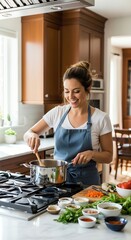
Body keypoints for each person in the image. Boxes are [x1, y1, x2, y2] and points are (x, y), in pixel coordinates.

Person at [24, 61, 113, 187]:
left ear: (87, 89)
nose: (70, 96)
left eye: (76, 91)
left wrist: (92, 154)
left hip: (87, 185)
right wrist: (32, 136)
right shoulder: (57, 113)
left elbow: (108, 156)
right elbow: (29, 132)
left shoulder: (101, 118)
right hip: (57, 181)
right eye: (66, 91)